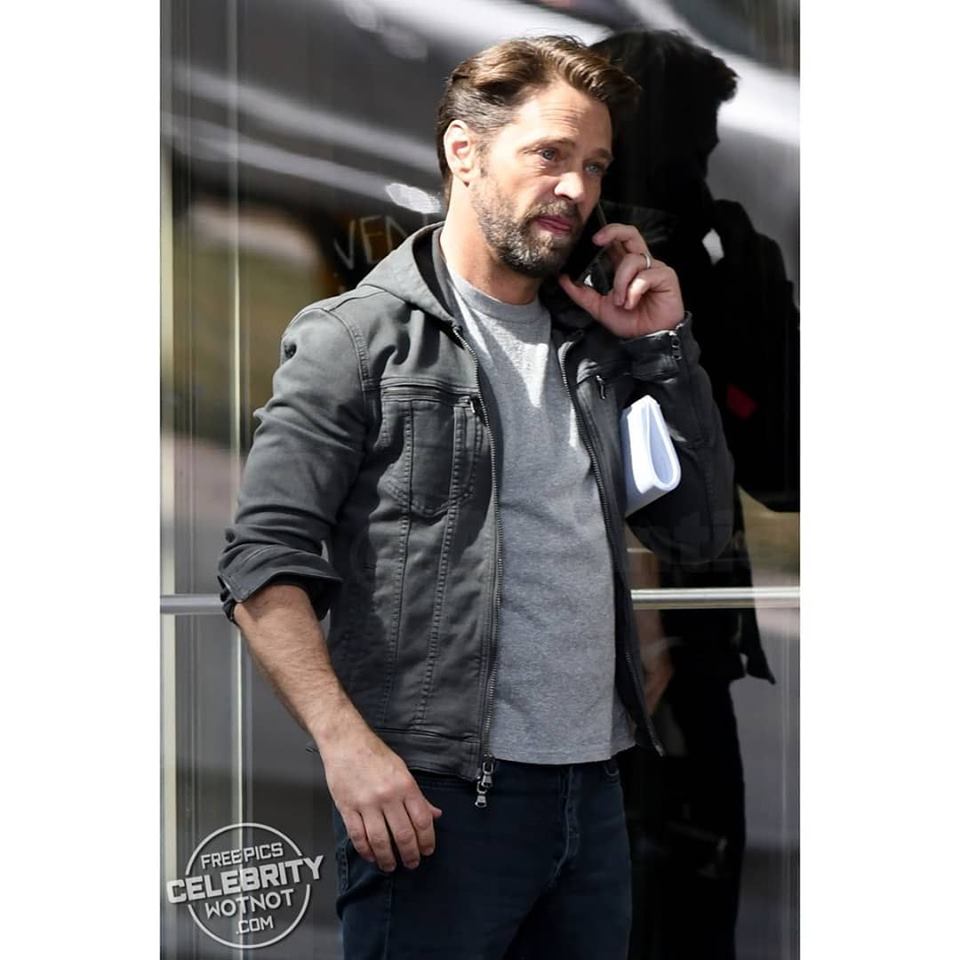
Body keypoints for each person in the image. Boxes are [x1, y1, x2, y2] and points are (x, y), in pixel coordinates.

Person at [218, 35, 734, 960]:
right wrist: (348, 748)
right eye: (550, 153)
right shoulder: (357, 340)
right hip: (437, 805)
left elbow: (697, 530)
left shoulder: (598, 343)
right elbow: (262, 566)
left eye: (595, 165)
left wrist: (663, 346)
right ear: (465, 150)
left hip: (596, 795)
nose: (575, 188)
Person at [591, 29, 800, 959]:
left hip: (693, 631)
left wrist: (740, 296)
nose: (698, 175)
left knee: (688, 900)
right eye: (686, 150)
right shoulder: (555, 270)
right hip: (582, 638)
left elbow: (786, 467)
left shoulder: (718, 263)